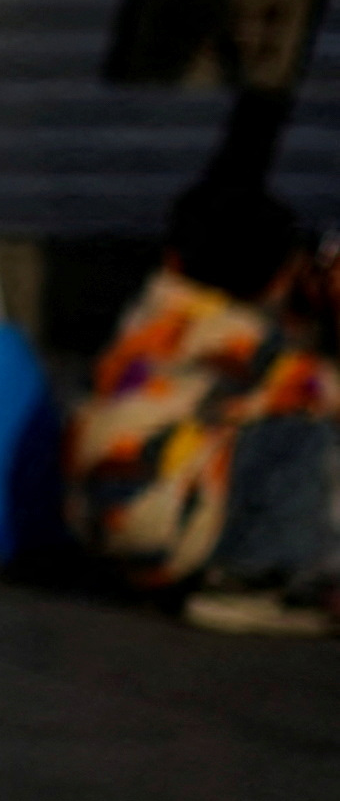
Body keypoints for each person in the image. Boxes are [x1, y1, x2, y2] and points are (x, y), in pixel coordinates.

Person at [63, 184, 339, 637]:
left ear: (174, 259)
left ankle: (193, 570)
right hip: (158, 523)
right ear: (280, 278)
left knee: (232, 422)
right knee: (299, 432)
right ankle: (248, 582)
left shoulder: (148, 317)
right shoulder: (234, 336)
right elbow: (322, 390)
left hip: (101, 530)